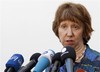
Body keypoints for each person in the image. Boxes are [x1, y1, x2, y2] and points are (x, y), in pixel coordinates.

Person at [45, 2, 100, 72]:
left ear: (84, 30)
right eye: (64, 27)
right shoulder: (53, 65)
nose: (69, 34)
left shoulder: (97, 61)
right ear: (57, 30)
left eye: (75, 27)